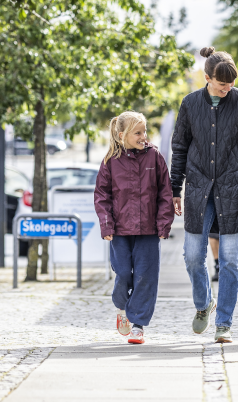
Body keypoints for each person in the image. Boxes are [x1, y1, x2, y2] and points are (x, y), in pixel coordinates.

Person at [171, 47, 238, 343]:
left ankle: (224, 322)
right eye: (221, 84)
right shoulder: (189, 104)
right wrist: (175, 188)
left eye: (231, 84)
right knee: (191, 256)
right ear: (207, 77)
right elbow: (179, 149)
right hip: (199, 191)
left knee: (229, 259)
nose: (227, 89)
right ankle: (204, 305)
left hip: (234, 190)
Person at [94, 111, 175, 345]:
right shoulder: (110, 161)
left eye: (145, 131)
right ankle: (121, 305)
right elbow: (102, 195)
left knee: (146, 276)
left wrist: (163, 223)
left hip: (148, 230)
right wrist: (106, 224)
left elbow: (164, 193)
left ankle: (138, 325)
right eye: (137, 133)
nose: (144, 137)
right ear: (122, 135)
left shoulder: (155, 157)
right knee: (122, 273)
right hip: (120, 230)